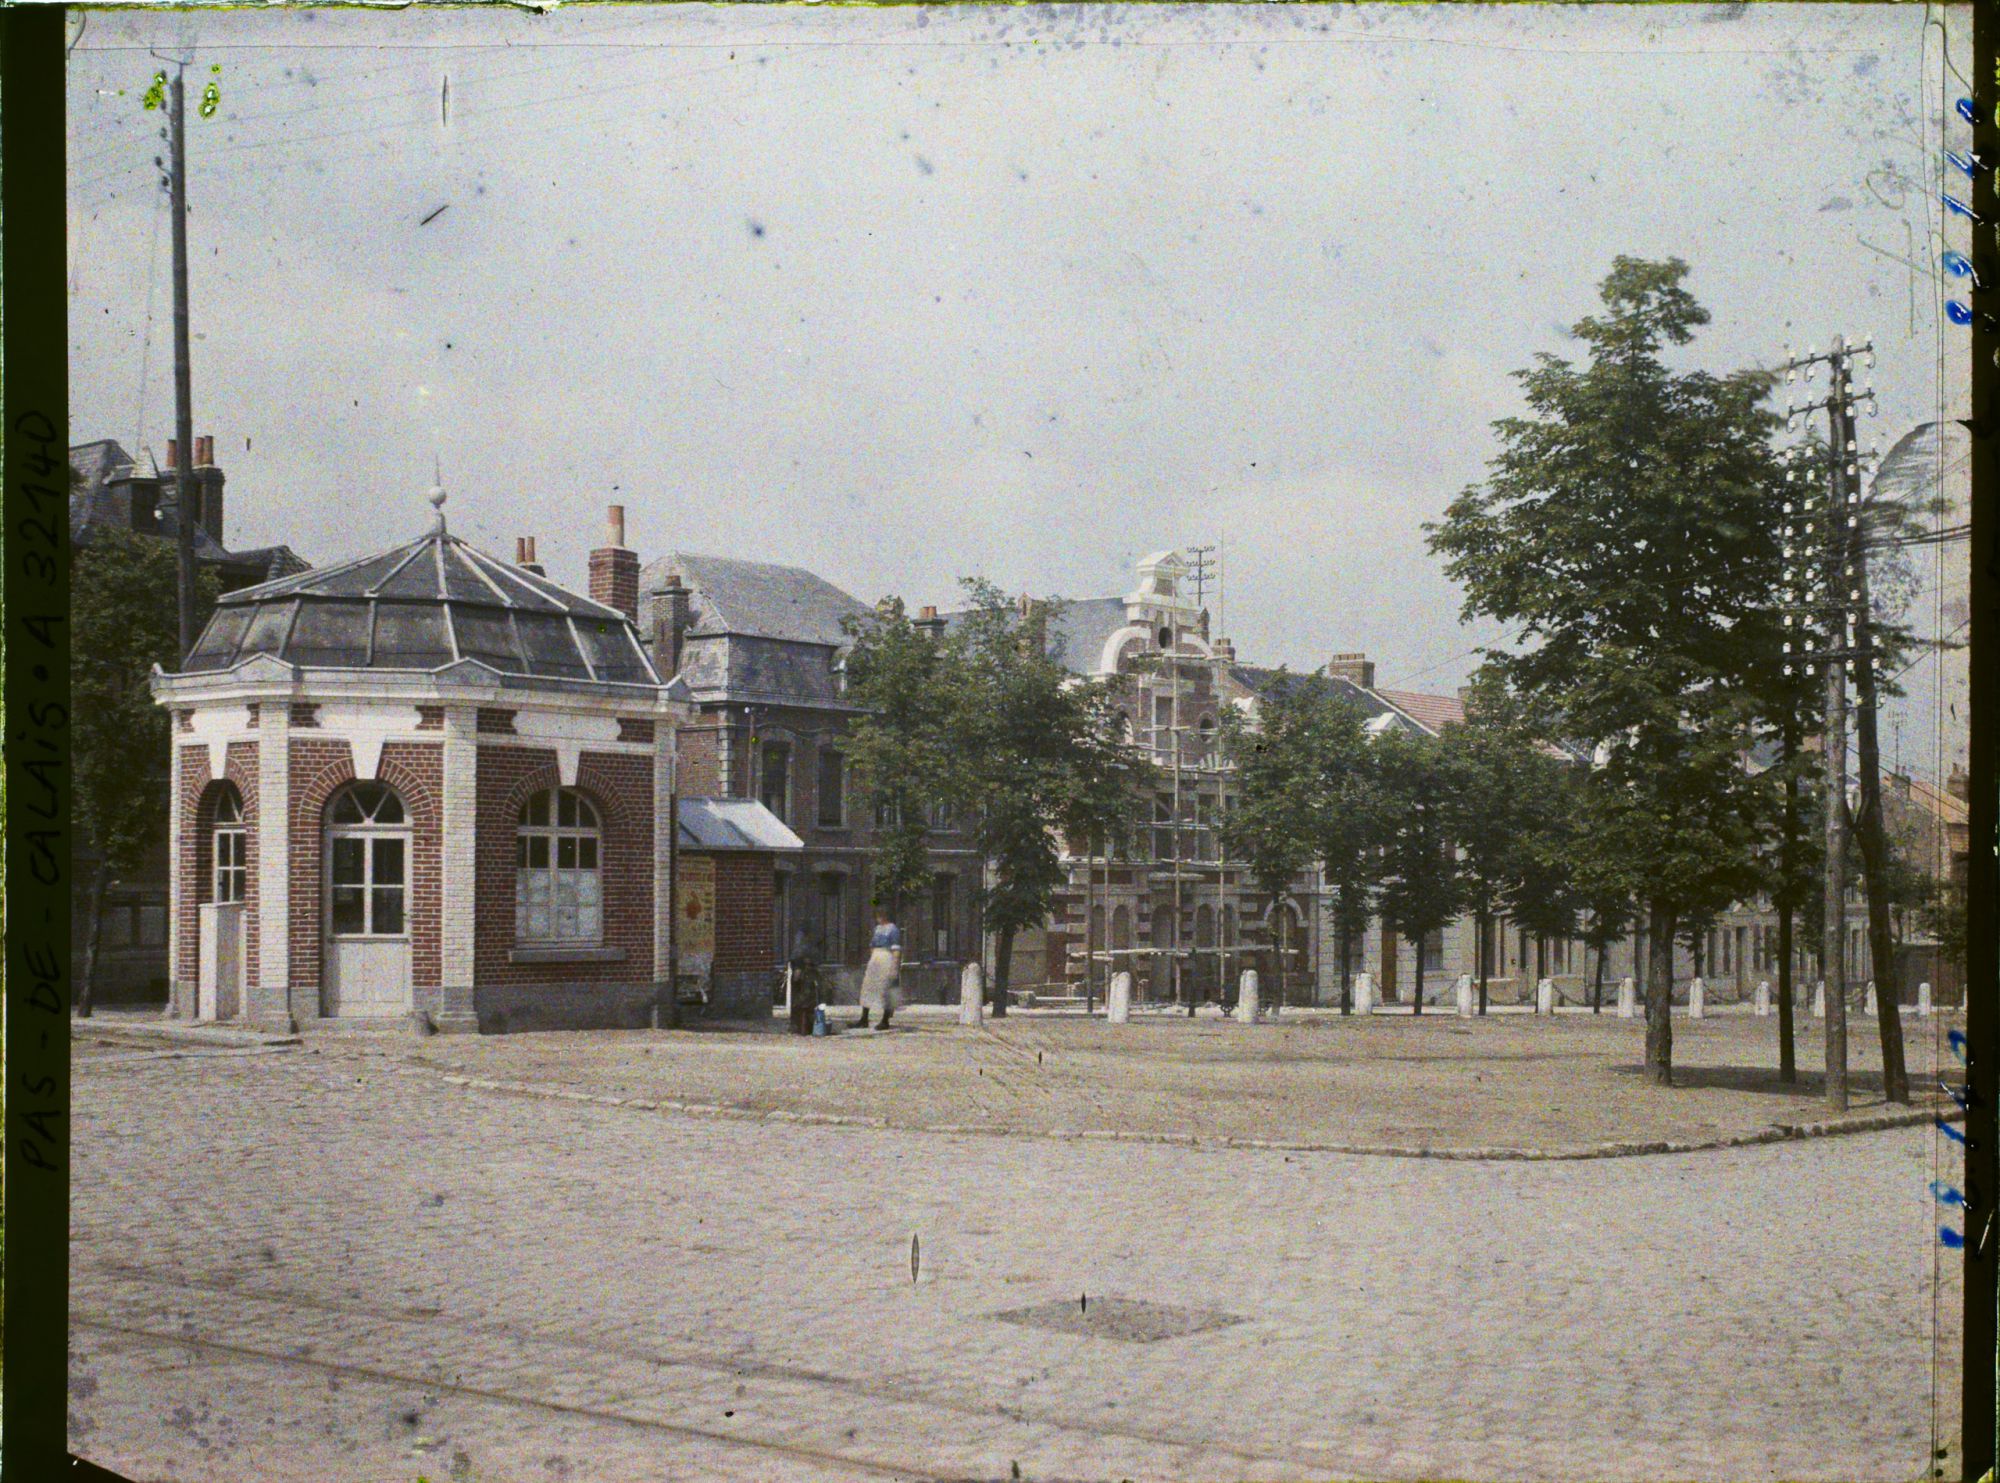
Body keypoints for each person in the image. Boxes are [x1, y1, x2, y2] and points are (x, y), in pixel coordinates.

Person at [857, 906, 902, 1030]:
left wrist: (894, 966)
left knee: (885, 989)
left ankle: (885, 1020)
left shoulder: (893, 929)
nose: (878, 918)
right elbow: (872, 945)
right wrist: (872, 959)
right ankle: (864, 1018)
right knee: (868, 987)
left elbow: (896, 949)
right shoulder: (877, 929)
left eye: (880, 915)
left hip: (886, 958)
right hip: (875, 959)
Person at [788, 922, 821, 1036]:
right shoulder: (806, 946)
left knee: (803, 1001)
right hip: (806, 975)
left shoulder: (803, 946)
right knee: (803, 1001)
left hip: (805, 975)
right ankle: (803, 1026)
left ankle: (802, 1026)